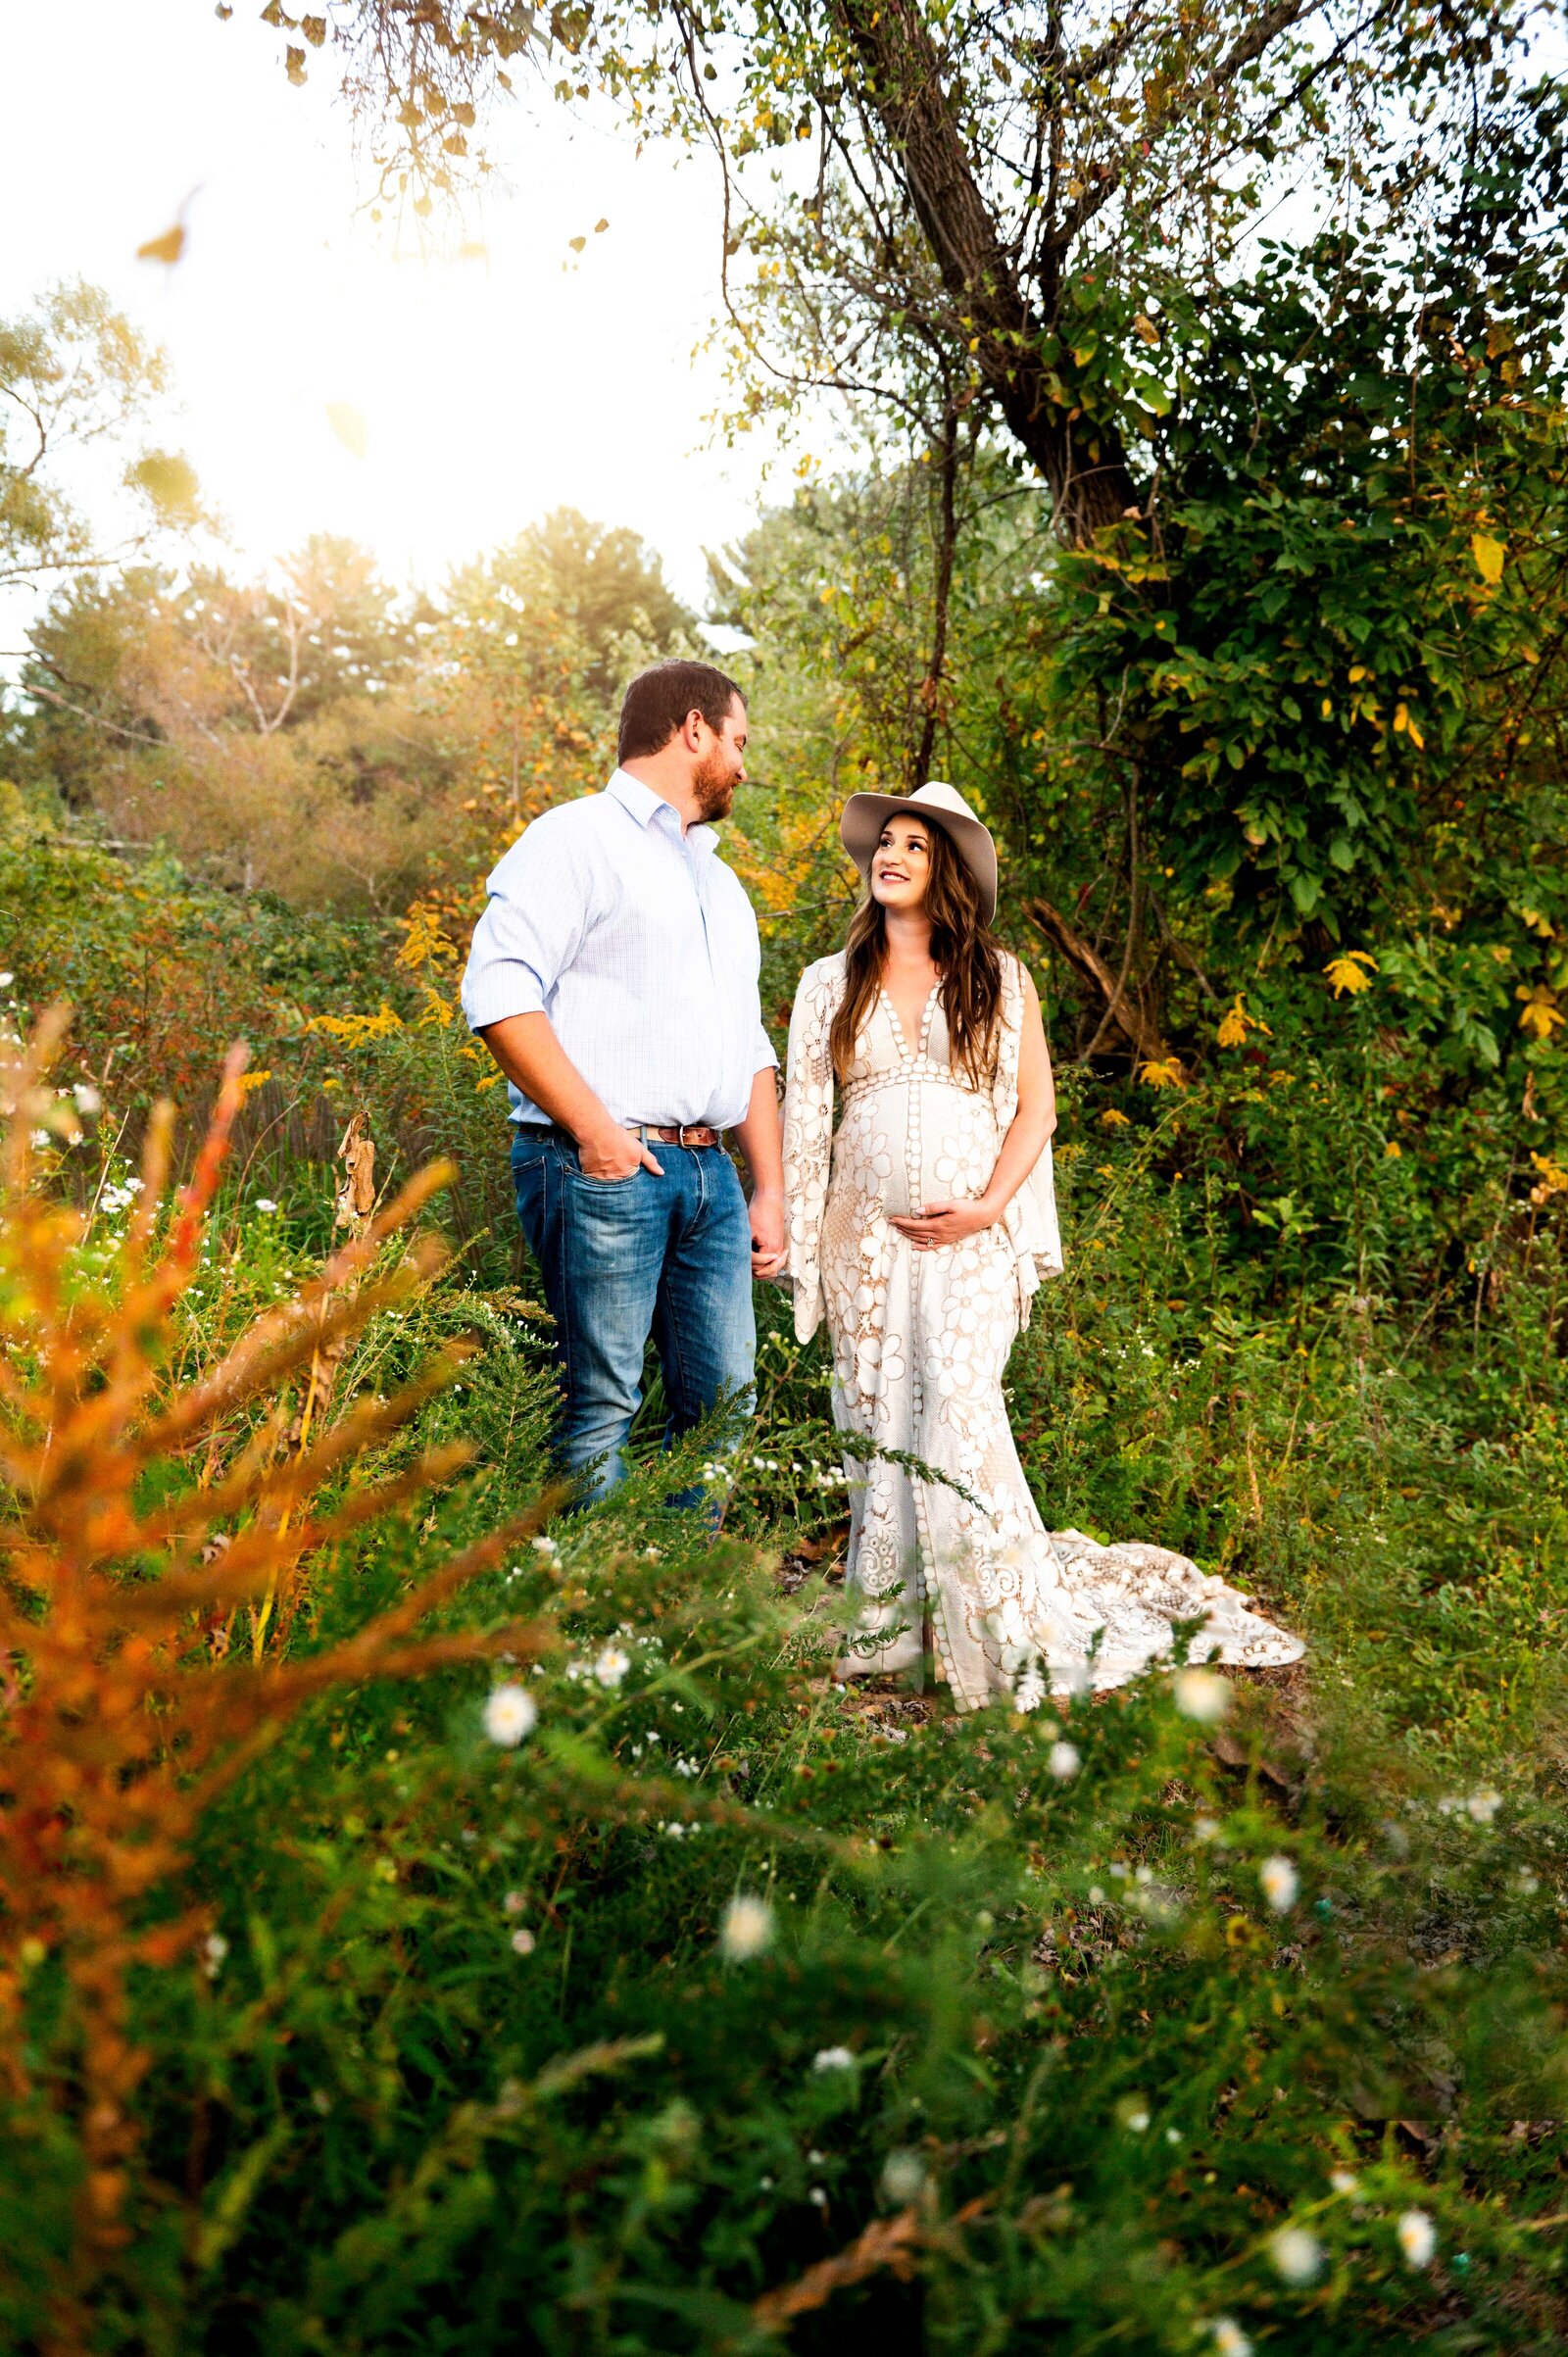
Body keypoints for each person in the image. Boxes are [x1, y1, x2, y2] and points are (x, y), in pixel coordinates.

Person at [781, 781, 1304, 1709]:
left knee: (955, 1400)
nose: (892, 855)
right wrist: (796, 1233)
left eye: (916, 844)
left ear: (946, 870)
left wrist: (987, 1208)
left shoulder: (1001, 977)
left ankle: (996, 1633)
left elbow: (1038, 1108)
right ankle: (891, 1634)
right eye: (885, 842)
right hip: (861, 1236)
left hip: (970, 1241)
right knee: (877, 1418)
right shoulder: (829, 981)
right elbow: (809, 1116)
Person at [462, 659, 787, 1502]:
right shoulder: (573, 839)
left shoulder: (721, 885)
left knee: (723, 1410)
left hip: (711, 1178)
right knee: (602, 1405)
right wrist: (598, 1135)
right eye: (738, 741)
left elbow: (746, 1041)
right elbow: (499, 991)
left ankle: (672, 1617)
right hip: (605, 1168)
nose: (743, 766)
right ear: (692, 730)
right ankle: (595, 1625)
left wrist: (768, 1188)